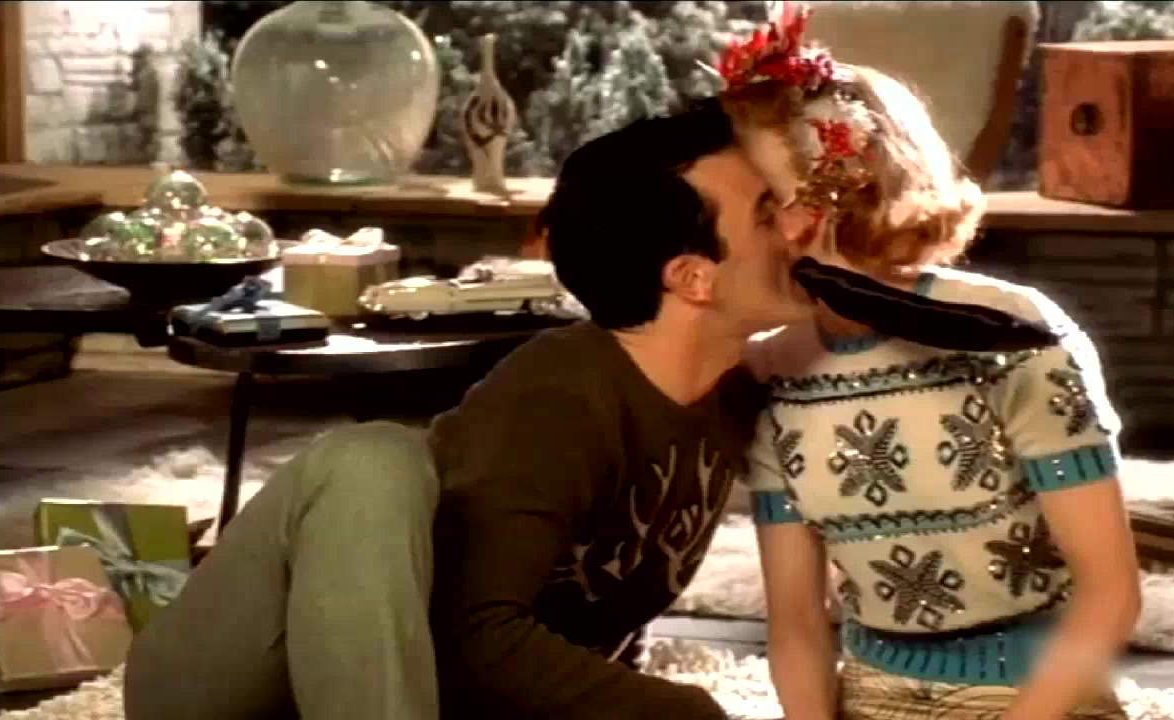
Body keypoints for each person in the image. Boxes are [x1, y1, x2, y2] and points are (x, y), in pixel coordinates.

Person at [123, 99, 816, 720]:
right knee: (372, 458)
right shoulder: (558, 396)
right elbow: (472, 636)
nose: (797, 226)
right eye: (766, 213)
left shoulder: (729, 397)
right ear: (692, 277)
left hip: (407, 700)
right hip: (227, 689)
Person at [723, 6, 1141, 720]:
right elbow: (796, 624)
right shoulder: (772, 374)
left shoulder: (1013, 336)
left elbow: (1111, 596)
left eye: (761, 201)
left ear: (838, 190)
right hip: (873, 695)